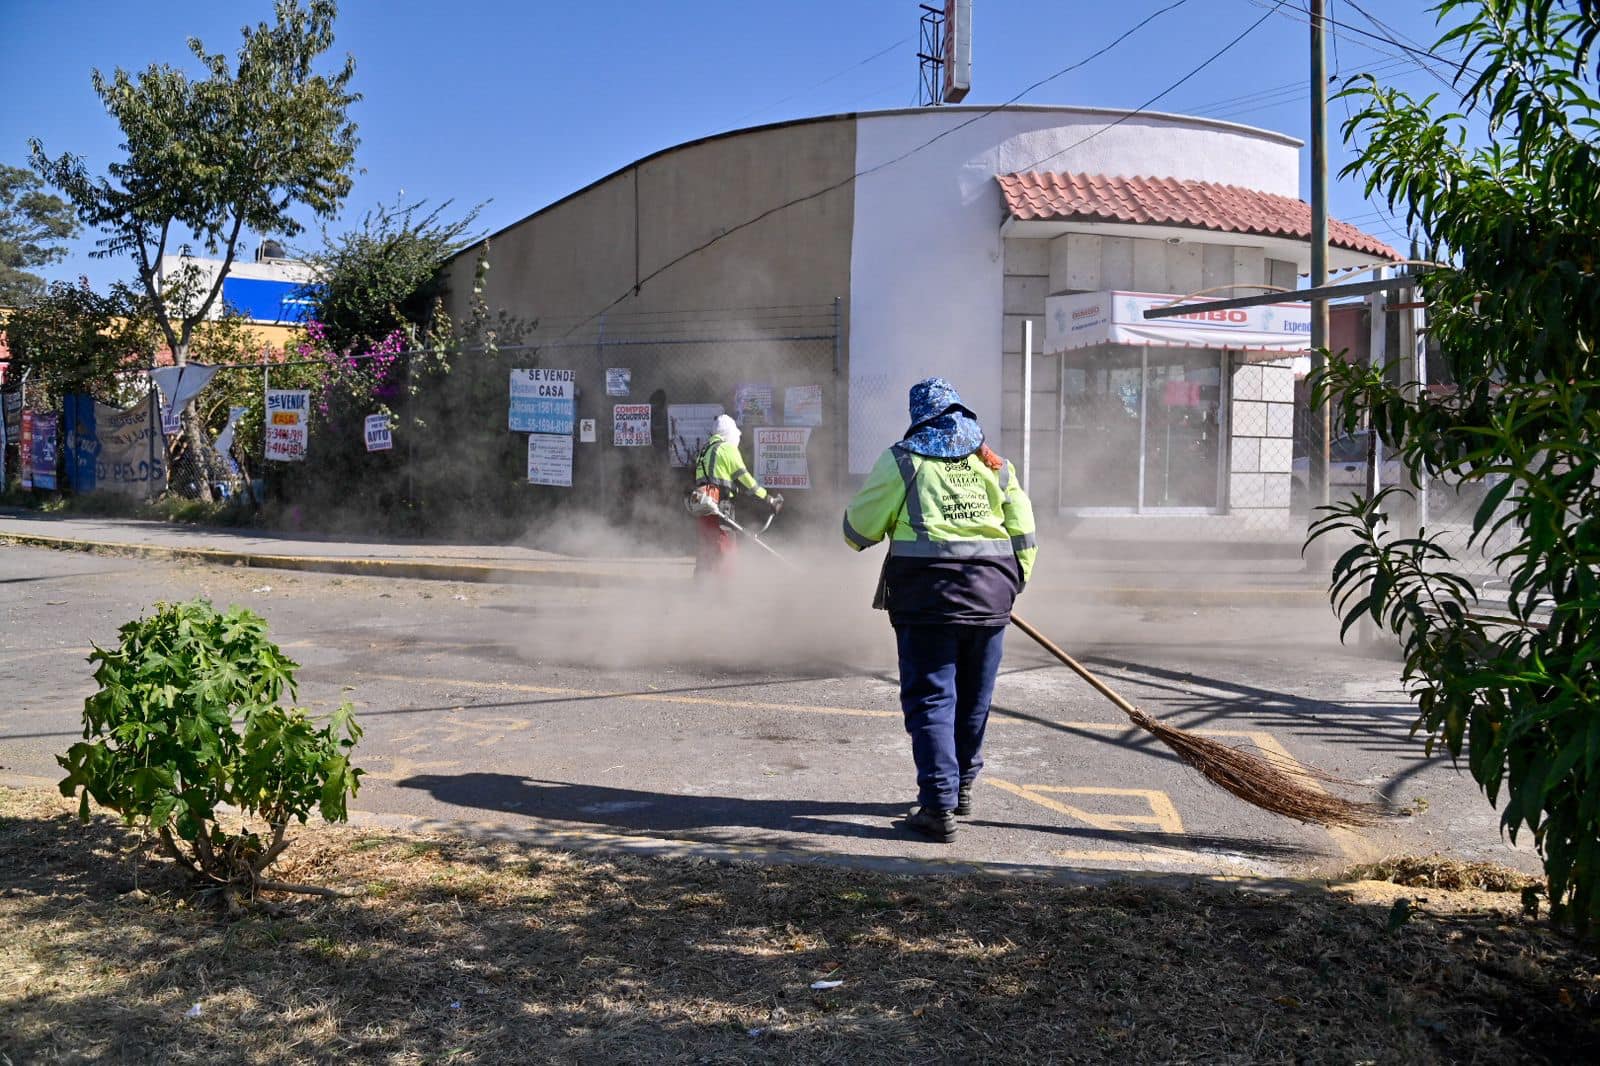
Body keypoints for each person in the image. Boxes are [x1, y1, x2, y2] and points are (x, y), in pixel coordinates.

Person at [842, 378, 1036, 842]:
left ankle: (937, 806)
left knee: (932, 699)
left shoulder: (903, 461)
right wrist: (1012, 583)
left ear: (919, 419)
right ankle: (962, 785)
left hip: (927, 601)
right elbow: (1023, 532)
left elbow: (857, 531)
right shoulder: (995, 464)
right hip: (990, 599)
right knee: (974, 698)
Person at [692, 413, 782, 578]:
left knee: (706, 546)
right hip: (719, 505)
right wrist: (769, 498)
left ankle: (702, 586)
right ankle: (726, 590)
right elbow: (746, 480)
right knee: (726, 547)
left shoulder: (705, 450)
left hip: (702, 503)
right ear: (729, 432)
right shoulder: (727, 448)